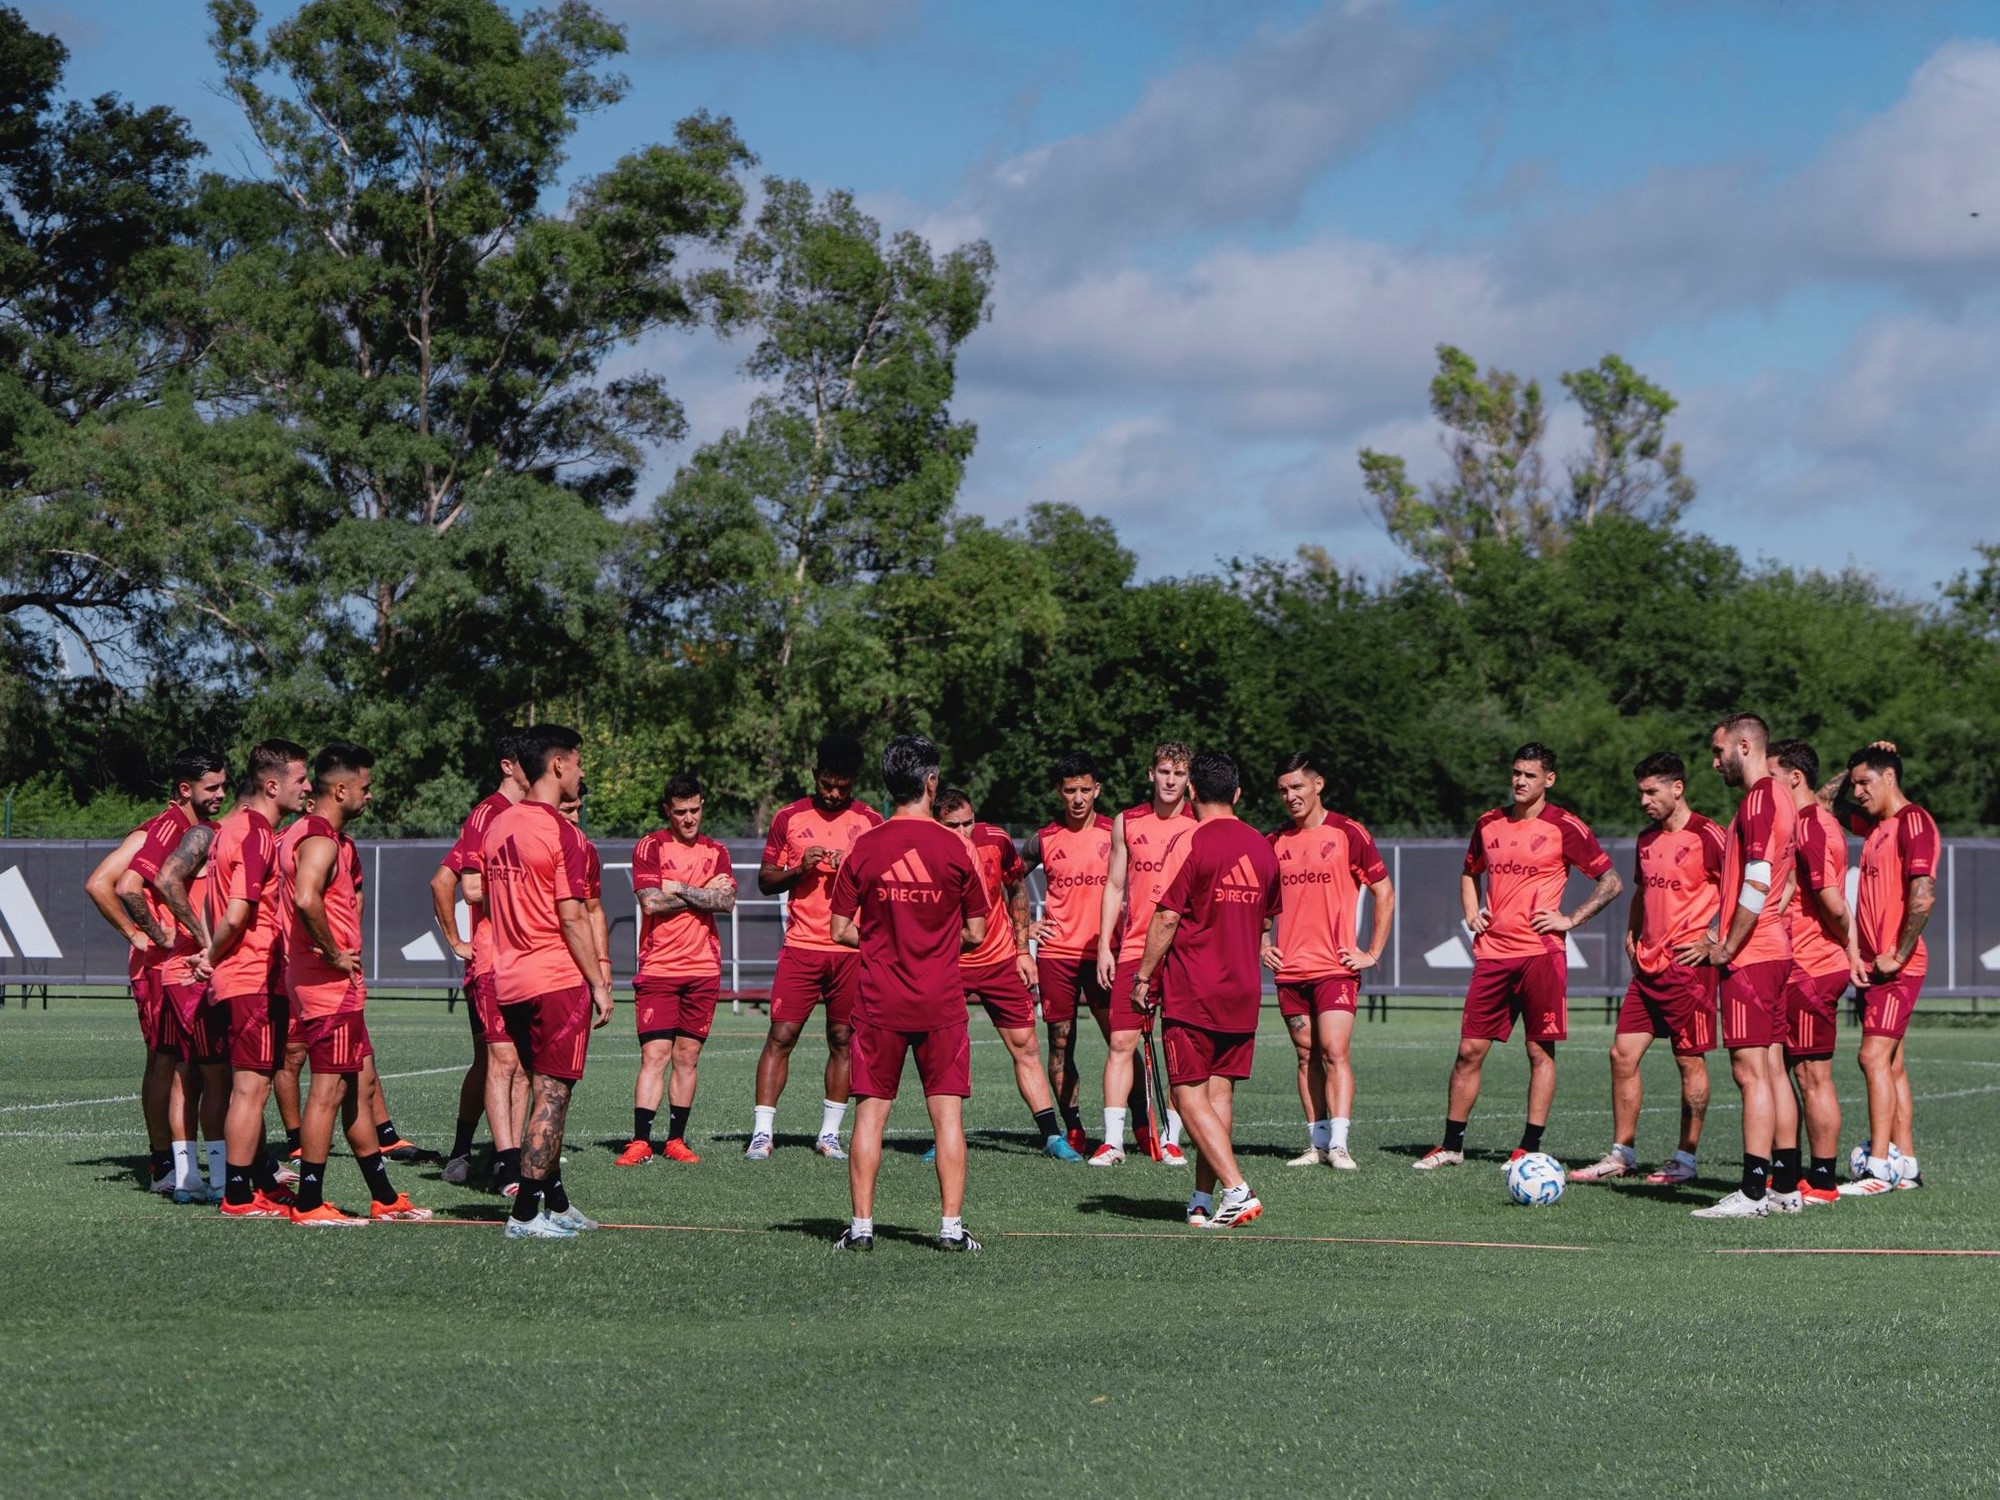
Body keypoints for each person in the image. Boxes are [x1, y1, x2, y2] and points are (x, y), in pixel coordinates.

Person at [1415, 744, 1621, 1171]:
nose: (1520, 781)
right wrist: (1471, 913)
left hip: (1541, 955)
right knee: (1469, 1050)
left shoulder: (1566, 826)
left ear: (1549, 779)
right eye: (1515, 773)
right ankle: (1452, 1145)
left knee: (1539, 1052)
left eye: (1529, 775)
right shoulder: (1489, 823)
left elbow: (1611, 881)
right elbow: (1469, 872)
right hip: (1493, 954)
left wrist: (1569, 919)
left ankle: (1529, 1147)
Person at [828, 734, 985, 1252]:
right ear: (931, 782)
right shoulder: (956, 847)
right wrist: (934, 939)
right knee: (948, 1119)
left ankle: (863, 1229)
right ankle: (949, 1228)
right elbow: (978, 932)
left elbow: (838, 928)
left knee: (870, 1115)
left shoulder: (865, 845)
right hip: (941, 1000)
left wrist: (882, 937)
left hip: (878, 1002)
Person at [281, 742, 430, 1225]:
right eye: (364, 787)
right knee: (328, 1092)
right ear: (340, 789)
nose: (369, 796)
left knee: (360, 1087)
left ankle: (384, 1196)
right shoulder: (321, 840)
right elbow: (306, 899)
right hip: (328, 987)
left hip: (328, 985)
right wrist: (330, 950)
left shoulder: (302, 833)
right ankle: (308, 1203)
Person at [1132, 751, 1281, 1229]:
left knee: (1186, 1097)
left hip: (1195, 989)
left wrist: (1142, 977)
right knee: (1218, 1099)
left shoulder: (1189, 841)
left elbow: (1167, 915)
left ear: (1192, 792)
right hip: (1243, 992)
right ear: (1237, 794)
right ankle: (1202, 1199)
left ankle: (1237, 1190)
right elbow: (1265, 921)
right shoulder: (1263, 847)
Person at [482, 724, 613, 1239]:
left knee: (541, 1093)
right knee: (553, 1097)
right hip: (556, 978)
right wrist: (599, 982)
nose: (581, 774)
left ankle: (554, 1203)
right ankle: (523, 1216)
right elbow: (573, 918)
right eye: (578, 763)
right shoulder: (564, 833)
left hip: (510, 979)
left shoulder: (497, 825)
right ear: (557, 765)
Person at [1572, 752, 1723, 1186]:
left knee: (1688, 1061)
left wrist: (1713, 937)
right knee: (1622, 1055)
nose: (1644, 800)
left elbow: (1741, 890)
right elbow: (1641, 891)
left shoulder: (1709, 835)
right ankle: (1622, 1153)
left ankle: (1685, 1159)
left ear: (1677, 788)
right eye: (1640, 792)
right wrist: (1632, 933)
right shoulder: (1646, 839)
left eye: (1652, 791)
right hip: (1647, 965)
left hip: (1688, 969)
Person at [83, 747, 227, 1195]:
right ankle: (166, 1164)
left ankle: (177, 1163)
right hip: (164, 966)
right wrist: (145, 935)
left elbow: (103, 880)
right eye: (213, 787)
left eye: (225, 785)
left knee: (179, 1062)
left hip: (167, 963)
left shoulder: (169, 824)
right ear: (185, 790)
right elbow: (112, 885)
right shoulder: (170, 826)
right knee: (172, 1062)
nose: (221, 794)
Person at [1680, 712, 1800, 1220]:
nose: (1714, 761)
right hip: (1772, 950)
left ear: (1744, 746)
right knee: (1771, 1069)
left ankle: (1752, 1192)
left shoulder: (1758, 798)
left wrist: (1727, 946)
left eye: (1718, 750)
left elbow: (1757, 880)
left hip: (1754, 955)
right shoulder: (1777, 797)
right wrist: (1716, 928)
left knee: (1750, 1072)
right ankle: (1786, 1186)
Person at [748, 735, 882, 1161]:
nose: (834, 793)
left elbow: (885, 887)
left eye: (842, 785)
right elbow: (765, 881)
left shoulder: (872, 821)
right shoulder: (788, 817)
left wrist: (855, 871)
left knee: (842, 1039)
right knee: (781, 1035)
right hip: (802, 946)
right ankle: (762, 1133)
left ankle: (829, 1135)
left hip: (850, 950)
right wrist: (797, 868)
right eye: (827, 783)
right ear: (815, 775)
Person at [936, 788, 1084, 1161]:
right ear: (937, 823)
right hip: (947, 963)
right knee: (943, 1053)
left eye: (968, 822)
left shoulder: (996, 840)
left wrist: (1022, 949)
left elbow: (1016, 888)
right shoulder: (926, 848)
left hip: (1000, 960)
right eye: (954, 826)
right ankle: (943, 1138)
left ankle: (1051, 1137)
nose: (964, 831)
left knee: (1027, 1047)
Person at [1265, 751, 1393, 1170]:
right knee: (1305, 1056)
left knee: (1334, 1050)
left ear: (1318, 784)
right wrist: (1262, 941)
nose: (1291, 797)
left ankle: (1339, 1145)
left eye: (1297, 787)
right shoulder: (1274, 841)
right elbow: (1260, 903)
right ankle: (1316, 1143)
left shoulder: (1348, 832)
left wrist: (1371, 952)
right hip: (1290, 971)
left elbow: (1384, 892)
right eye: (1283, 790)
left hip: (1336, 967)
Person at [203, 739, 313, 1217]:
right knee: (250, 1088)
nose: (309, 788)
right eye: (301, 779)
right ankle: (238, 1195)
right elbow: (237, 911)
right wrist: (211, 953)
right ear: (272, 785)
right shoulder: (254, 833)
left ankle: (251, 1183)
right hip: (251, 976)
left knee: (252, 1085)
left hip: (246, 974)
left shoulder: (232, 828)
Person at [1828, 743, 1939, 1196]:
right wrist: (1857, 759)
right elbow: (1824, 803)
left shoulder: (1914, 821)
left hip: (1898, 967)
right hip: (1876, 967)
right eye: (1854, 783)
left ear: (1890, 777)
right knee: (1891, 1065)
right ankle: (1906, 1164)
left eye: (1865, 782)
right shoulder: (1874, 825)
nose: (1857, 792)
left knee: (1871, 1057)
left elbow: (1923, 895)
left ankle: (1877, 1168)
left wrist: (1900, 952)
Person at [617, 772, 736, 1166]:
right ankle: (639, 1141)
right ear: (667, 810)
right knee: (655, 1056)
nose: (689, 818)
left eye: (695, 810)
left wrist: (678, 887)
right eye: (681, 811)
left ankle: (676, 1140)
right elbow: (650, 903)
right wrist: (703, 891)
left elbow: (727, 902)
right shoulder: (650, 846)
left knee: (687, 1057)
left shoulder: (716, 850)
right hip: (659, 968)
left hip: (703, 969)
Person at [429, 728, 530, 1188]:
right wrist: (456, 941)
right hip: (493, 960)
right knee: (495, 1062)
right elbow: (448, 882)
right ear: (509, 765)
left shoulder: (529, 815)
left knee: (514, 1063)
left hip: (528, 959)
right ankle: (475, 1154)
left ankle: (494, 1155)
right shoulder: (489, 814)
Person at [1091, 742, 1196, 1167]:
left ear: (1189, 781)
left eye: (1180, 774)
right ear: (1151, 774)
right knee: (1120, 1041)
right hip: (1134, 946)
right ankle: (1112, 1142)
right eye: (1165, 772)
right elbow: (1114, 886)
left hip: (1184, 950)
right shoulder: (1126, 821)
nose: (1171, 781)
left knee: (1179, 1045)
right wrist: (1104, 944)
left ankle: (1171, 1138)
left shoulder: (1200, 824)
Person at [1773, 739, 1853, 1205]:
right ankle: (1785, 1173)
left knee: (1812, 1076)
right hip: (1794, 966)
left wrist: (1852, 944)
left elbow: (1831, 902)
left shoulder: (1816, 827)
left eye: (1773, 776)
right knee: (1781, 1072)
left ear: (1794, 778)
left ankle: (1823, 1182)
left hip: (1812, 967)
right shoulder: (1806, 818)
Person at [1019, 753, 1111, 1155]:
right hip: (1056, 954)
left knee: (1120, 1042)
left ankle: (1140, 1123)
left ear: (1097, 790)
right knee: (1060, 1041)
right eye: (1070, 790)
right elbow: (1005, 881)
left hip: (1105, 953)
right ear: (1060, 792)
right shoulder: (1044, 839)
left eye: (1085, 790)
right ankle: (1073, 1127)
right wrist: (1022, 928)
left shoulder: (1117, 833)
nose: (1077, 798)